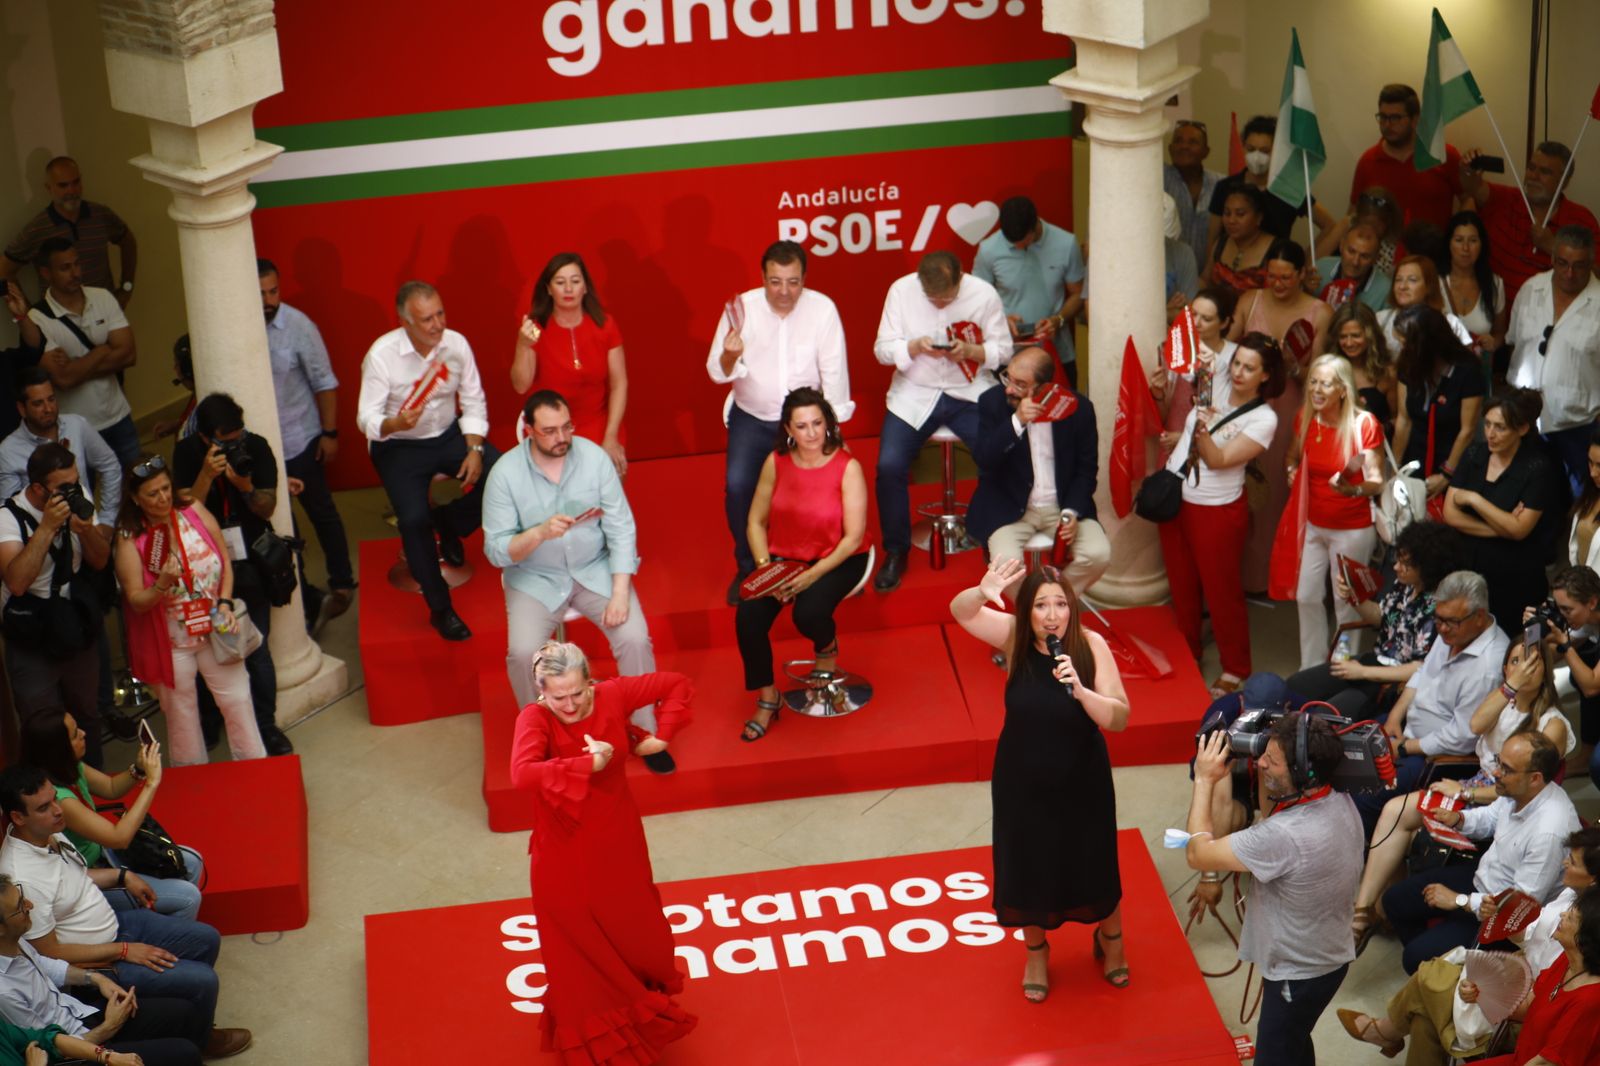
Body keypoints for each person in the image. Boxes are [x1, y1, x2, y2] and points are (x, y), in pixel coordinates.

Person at [950, 558, 1131, 1000]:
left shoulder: (1090, 646)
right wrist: (982, 588)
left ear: (1073, 607)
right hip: (1022, 779)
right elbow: (962, 612)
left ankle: (1112, 942)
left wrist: (1083, 692)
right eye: (1041, 606)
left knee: (1093, 859)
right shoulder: (1014, 639)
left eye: (1061, 604)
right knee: (1027, 865)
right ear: (1026, 611)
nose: (1052, 615)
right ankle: (1036, 951)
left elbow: (1120, 717)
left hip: (1082, 778)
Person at [508, 642, 696, 1064]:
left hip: (620, 840)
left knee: (638, 933)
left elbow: (677, 684)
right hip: (565, 854)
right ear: (541, 691)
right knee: (581, 956)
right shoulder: (533, 718)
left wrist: (659, 737)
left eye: (578, 692)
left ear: (590, 682)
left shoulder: (613, 694)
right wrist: (584, 766)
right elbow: (521, 774)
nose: (570, 704)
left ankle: (641, 1009)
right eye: (559, 696)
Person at [480, 391, 673, 775]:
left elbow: (621, 527)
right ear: (529, 431)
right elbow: (496, 551)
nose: (561, 437)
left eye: (566, 427)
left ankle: (645, 733)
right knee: (522, 654)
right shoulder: (504, 474)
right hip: (535, 577)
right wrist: (537, 534)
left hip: (594, 569)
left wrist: (620, 592)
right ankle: (539, 736)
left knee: (634, 636)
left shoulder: (594, 459)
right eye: (549, 431)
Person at [0, 767, 250, 1059]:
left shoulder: (47, 833)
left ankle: (196, 1028)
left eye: (55, 799)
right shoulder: (21, 877)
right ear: (18, 818)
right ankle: (198, 1039)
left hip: (117, 924)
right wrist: (123, 950)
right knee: (203, 981)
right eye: (44, 807)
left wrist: (121, 876)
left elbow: (75, 878)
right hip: (101, 957)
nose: (58, 810)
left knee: (207, 938)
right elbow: (51, 952)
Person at [1352, 639, 1573, 953]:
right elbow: (1476, 725)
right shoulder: (1504, 699)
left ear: (1546, 670)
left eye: (1532, 663)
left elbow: (1523, 784)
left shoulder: (1551, 725)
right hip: (1486, 790)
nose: (1522, 668)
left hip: (1493, 793)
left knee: (1402, 811)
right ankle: (1364, 910)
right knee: (1395, 809)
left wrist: (1467, 793)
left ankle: (1417, 940)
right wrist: (1511, 686)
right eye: (1514, 661)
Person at [1185, 715, 1363, 1066]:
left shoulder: (1283, 837)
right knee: (1295, 1044)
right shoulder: (1339, 800)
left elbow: (1197, 853)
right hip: (1327, 957)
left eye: (1272, 760)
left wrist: (1205, 781)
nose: (1260, 761)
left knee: (1276, 1055)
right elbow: (1272, 814)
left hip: (1296, 974)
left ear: (1302, 773)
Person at [1338, 830, 1600, 1063]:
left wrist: (1488, 993)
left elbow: (1546, 1040)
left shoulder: (1584, 966)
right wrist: (1505, 922)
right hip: (1521, 981)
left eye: (1573, 862)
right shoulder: (1572, 903)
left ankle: (1386, 1031)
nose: (1564, 862)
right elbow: (1534, 949)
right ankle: (1389, 1032)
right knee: (1424, 1018)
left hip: (1522, 1004)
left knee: (1429, 977)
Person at [707, 241, 851, 604]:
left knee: (820, 493)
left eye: (793, 282)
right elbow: (716, 372)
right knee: (738, 487)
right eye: (775, 282)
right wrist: (730, 354)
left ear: (805, 279)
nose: (784, 292)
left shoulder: (822, 309)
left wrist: (834, 433)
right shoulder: (741, 309)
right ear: (762, 277)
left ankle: (825, 566)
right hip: (752, 417)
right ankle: (749, 567)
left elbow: (834, 372)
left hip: (805, 420)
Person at [357, 281, 499, 641]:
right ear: (405, 323)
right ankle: (441, 608)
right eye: (426, 319)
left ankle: (450, 522)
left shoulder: (456, 344)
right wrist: (394, 423)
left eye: (440, 314)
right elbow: (366, 419)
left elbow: (474, 399)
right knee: (414, 519)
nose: (437, 325)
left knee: (503, 477)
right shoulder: (381, 355)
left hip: (449, 435)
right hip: (399, 445)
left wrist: (474, 449)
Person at [1382, 730, 1582, 974]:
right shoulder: (1518, 792)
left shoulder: (1549, 833)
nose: (1496, 772)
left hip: (1499, 916)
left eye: (1506, 769)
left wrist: (1459, 900)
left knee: (1414, 957)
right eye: (1499, 761)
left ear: (1535, 778)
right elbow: (1490, 817)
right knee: (1394, 901)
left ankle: (1442, 973)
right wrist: (1458, 819)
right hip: (1484, 880)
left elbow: (1517, 909)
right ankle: (1439, 970)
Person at [112, 455, 265, 766]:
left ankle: (256, 768)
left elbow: (223, 560)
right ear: (135, 499)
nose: (163, 498)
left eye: (166, 488)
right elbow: (136, 600)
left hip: (215, 628)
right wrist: (161, 585)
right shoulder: (130, 538)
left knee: (238, 701)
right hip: (171, 644)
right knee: (182, 718)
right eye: (153, 494)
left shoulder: (190, 510)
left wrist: (224, 602)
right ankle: (193, 784)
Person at [870, 251, 1009, 592]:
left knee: (1001, 458)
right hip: (914, 392)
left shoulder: (983, 294)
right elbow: (882, 349)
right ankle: (896, 549)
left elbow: (1004, 350)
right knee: (889, 465)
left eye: (946, 298)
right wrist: (913, 347)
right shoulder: (901, 291)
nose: (940, 304)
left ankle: (997, 542)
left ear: (961, 279)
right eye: (933, 299)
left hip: (969, 390)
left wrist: (973, 352)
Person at [1152, 332, 1280, 698]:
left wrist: (1205, 425)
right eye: (1236, 362)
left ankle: (1236, 667)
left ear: (1265, 375)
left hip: (1218, 511)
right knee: (1182, 583)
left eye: (1249, 368)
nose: (1238, 372)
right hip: (1178, 498)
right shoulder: (1218, 380)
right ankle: (1188, 649)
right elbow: (1201, 360)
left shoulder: (1264, 418)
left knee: (1222, 593)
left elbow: (1218, 459)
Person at [735, 388, 868, 742]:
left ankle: (826, 647)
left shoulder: (847, 467)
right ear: (788, 429)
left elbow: (853, 538)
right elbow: (755, 522)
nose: (811, 433)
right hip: (784, 559)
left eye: (818, 424)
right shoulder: (775, 461)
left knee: (807, 614)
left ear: (828, 423)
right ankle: (768, 698)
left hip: (838, 559)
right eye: (802, 426)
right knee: (747, 618)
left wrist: (810, 576)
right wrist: (766, 571)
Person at [171, 394, 293, 757]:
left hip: (252, 562)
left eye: (238, 436)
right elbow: (182, 512)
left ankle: (267, 727)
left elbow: (268, 505)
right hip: (205, 565)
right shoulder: (187, 454)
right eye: (226, 441)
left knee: (256, 647)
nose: (236, 445)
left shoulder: (256, 447)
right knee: (204, 647)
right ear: (207, 439)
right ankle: (210, 724)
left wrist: (245, 487)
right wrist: (207, 475)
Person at [1359, 570, 1509, 835]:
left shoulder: (1487, 667)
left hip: (1433, 756)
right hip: (1406, 729)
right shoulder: (1454, 631)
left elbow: (1462, 736)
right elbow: (1422, 672)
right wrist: (1395, 715)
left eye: (1450, 622)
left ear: (1480, 617)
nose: (1441, 629)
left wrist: (1405, 749)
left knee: (1366, 796)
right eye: (1438, 619)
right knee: (1346, 760)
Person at [0, 871, 204, 1066]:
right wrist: (108, 1027)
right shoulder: (4, 993)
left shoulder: (12, 940)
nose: (30, 905)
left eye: (23, 897)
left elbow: (45, 965)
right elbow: (47, 1049)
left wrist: (96, 978)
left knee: (185, 1012)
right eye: (19, 906)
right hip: (80, 1049)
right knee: (185, 1053)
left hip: (80, 1015)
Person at [18, 711, 204, 922]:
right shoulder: (58, 799)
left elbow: (111, 787)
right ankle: (170, 941)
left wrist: (139, 769)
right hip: (88, 876)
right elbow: (118, 838)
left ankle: (164, 924)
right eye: (74, 735)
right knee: (188, 897)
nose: (83, 733)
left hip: (104, 855)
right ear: (58, 749)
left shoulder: (67, 765)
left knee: (190, 860)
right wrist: (151, 784)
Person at [1286, 519, 1467, 720]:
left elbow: (1420, 668)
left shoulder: (1440, 609)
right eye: (1397, 559)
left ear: (1428, 567)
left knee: (1326, 716)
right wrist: (1353, 597)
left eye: (1405, 564)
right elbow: (1380, 616)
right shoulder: (1405, 585)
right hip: (1374, 660)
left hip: (1395, 682)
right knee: (1295, 686)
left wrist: (1363, 672)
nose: (1396, 567)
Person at [257, 258, 355, 626]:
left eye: (273, 291)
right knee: (283, 528)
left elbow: (325, 382)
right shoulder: (236, 327)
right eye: (261, 293)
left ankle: (343, 583)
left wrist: (330, 434)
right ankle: (299, 595)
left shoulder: (298, 326)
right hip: (262, 450)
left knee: (322, 513)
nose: (269, 300)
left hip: (300, 438)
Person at [968, 346, 1107, 597]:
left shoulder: (1079, 410)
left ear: (1045, 387)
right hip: (1010, 507)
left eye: (1021, 384)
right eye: (1007, 378)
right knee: (1004, 569)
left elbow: (1087, 471)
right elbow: (984, 460)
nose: (1009, 388)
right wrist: (1016, 422)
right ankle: (1032, 615)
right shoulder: (992, 403)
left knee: (1098, 555)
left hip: (1062, 506)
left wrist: (1071, 512)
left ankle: (1054, 602)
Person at [0, 444, 109, 765]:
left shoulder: (78, 497)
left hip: (74, 624)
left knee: (87, 715)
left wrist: (86, 531)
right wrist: (47, 527)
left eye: (75, 482)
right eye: (63, 487)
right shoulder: (7, 518)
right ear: (37, 488)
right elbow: (16, 582)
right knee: (43, 726)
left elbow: (100, 561)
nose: (73, 492)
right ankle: (51, 805)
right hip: (30, 632)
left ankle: (94, 794)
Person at [1277, 354, 1384, 669]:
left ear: (1342, 389)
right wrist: (1290, 470)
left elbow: (1376, 481)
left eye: (1325, 383)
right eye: (1313, 381)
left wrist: (1352, 489)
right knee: (1306, 595)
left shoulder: (1364, 423)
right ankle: (1311, 666)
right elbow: (1292, 455)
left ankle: (1341, 664)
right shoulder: (1306, 418)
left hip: (1352, 528)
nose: (1316, 389)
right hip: (1312, 524)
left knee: (1346, 602)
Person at [1444, 389, 1565, 636]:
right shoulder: (1474, 454)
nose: (1490, 433)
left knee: (1512, 649)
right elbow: (1450, 514)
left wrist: (1474, 499)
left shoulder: (1537, 467)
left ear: (1521, 429)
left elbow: (1520, 530)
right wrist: (1502, 525)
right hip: (1469, 570)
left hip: (1515, 579)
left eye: (1500, 427)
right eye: (1487, 424)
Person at [11, 240, 139, 467]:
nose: (75, 273)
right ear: (46, 273)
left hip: (119, 416)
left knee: (137, 486)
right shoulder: (38, 319)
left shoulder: (102, 298)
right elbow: (64, 379)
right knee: (83, 495)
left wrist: (75, 365)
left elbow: (129, 355)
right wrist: (104, 349)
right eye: (65, 268)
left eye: (77, 264)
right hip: (76, 428)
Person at [510, 253, 628, 477]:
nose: (568, 289)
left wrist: (611, 436)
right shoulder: (535, 328)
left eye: (575, 281)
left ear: (585, 287)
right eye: (560, 282)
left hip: (597, 422)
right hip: (550, 427)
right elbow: (521, 386)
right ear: (548, 288)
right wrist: (522, 346)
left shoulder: (606, 325)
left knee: (610, 475)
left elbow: (619, 384)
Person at [1505, 225, 1600, 495]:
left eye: (1579, 266)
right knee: (1522, 496)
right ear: (1552, 259)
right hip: (1523, 418)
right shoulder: (1531, 289)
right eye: (1563, 263)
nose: (1570, 273)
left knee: (1580, 501)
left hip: (1579, 425)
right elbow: (1513, 341)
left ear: (1591, 263)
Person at [1459, 141, 1600, 308]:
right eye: (1531, 168)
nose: (1533, 176)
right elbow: (1473, 187)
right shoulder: (1505, 199)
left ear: (1564, 181)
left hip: (1545, 326)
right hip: (1490, 317)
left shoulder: (1582, 220)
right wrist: (1466, 171)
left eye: (1545, 172)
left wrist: (1552, 246)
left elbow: (1596, 277)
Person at [1472, 887, 1600, 1066]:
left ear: (1585, 939)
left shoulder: (1590, 1000)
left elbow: (1548, 1063)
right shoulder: (1565, 961)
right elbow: (1526, 1008)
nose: (1562, 914)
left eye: (1570, 917)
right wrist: (1480, 992)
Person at [972, 196, 1085, 382]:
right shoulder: (989, 249)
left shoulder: (1066, 243)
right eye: (1011, 244)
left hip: (1056, 354)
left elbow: (1078, 293)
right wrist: (1001, 320)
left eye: (1024, 242)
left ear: (1035, 225)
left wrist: (1059, 319)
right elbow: (977, 300)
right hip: (1008, 354)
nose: (1018, 247)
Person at [1, 158, 137, 306]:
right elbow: (3, 270)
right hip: (59, 324)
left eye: (76, 182)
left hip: (104, 315)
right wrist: (27, 317)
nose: (71, 190)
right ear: (49, 188)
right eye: (63, 185)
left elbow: (128, 241)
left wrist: (126, 288)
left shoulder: (101, 215)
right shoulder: (37, 228)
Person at [1392, 304, 1487, 512]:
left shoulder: (1467, 370)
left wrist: (1446, 475)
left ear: (1425, 345)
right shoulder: (1408, 365)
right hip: (1415, 457)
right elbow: (1404, 419)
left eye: (1406, 344)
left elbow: (1467, 430)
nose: (1402, 350)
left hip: (1453, 458)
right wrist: (1395, 469)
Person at [0, 368, 120, 528]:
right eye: (38, 403)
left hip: (86, 526)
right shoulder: (8, 450)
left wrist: (107, 521)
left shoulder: (77, 425)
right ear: (22, 409)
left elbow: (109, 465)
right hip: (46, 536)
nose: (48, 408)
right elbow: (9, 512)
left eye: (51, 399)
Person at [1205, 115, 1336, 258]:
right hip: (1231, 270)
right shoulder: (1226, 187)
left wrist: (1304, 259)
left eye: (1264, 151)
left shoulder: (1289, 188)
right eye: (1251, 149)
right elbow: (1213, 238)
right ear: (1243, 147)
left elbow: (1329, 225)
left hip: (1275, 273)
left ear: (1277, 152)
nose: (1256, 156)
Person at [1350, 84, 1469, 232]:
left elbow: (1469, 199)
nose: (1387, 125)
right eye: (1383, 117)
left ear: (1415, 119)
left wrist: (1457, 235)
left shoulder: (1443, 154)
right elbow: (1354, 214)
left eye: (1395, 118)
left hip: (1434, 252)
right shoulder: (1367, 162)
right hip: (1384, 253)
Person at [1529, 565, 1600, 782]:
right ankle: (1586, 753)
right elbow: (1547, 656)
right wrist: (1533, 631)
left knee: (1598, 766)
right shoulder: (1586, 617)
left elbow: (1591, 686)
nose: (1563, 616)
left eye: (1567, 610)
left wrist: (1564, 644)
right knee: (1578, 669)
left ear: (1592, 602)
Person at [1438, 211, 1508, 368]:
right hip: (1441, 372)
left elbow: (1500, 333)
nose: (1465, 248)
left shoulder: (1495, 284)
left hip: (1476, 374)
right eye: (1458, 240)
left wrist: (1493, 343)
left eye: (1473, 241)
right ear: (1448, 243)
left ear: (1482, 245)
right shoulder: (1435, 282)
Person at [1378, 255, 1477, 356]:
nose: (1402, 286)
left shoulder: (1451, 323)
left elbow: (1466, 367)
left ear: (1429, 286)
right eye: (1398, 280)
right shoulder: (1379, 320)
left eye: (1412, 280)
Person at [1323, 300, 1397, 431]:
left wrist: (1376, 430)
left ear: (1370, 335)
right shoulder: (1328, 369)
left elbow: (1398, 419)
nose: (1349, 343)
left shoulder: (1387, 373)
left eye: (1356, 336)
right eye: (1343, 337)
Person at [1163, 118, 1222, 268]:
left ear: (1206, 151)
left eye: (1193, 142)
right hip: (1166, 275)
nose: (1184, 146)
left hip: (1209, 277)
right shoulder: (1155, 179)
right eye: (1178, 141)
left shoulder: (1221, 184)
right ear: (1170, 148)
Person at [1204, 184, 1274, 291]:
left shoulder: (1275, 250)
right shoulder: (1221, 242)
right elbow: (1205, 280)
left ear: (1259, 217)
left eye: (1240, 214)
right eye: (1227, 213)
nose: (1231, 220)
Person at [1313, 222, 1392, 314]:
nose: (1355, 262)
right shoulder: (1321, 268)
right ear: (1341, 246)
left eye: (1364, 256)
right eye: (1351, 251)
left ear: (1376, 258)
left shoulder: (1386, 291)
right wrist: (1305, 291)